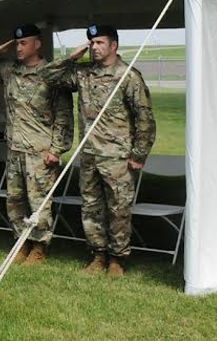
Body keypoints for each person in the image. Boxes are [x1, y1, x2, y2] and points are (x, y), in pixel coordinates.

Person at [43, 24, 155, 278]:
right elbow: (48, 77)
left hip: (117, 157)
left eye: (99, 43)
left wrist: (138, 155)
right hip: (90, 155)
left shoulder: (128, 77)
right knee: (91, 208)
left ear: (114, 45)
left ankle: (117, 259)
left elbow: (145, 119)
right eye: (91, 43)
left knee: (118, 209)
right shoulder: (83, 74)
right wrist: (72, 57)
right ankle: (98, 255)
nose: (94, 47)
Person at [0, 24, 73, 265]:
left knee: (39, 200)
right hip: (15, 148)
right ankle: (21, 242)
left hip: (40, 150)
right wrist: (4, 47)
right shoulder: (9, 70)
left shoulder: (51, 73)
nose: (19, 48)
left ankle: (39, 246)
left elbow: (64, 115)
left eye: (23, 43)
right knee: (15, 200)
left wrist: (57, 149)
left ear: (37, 44)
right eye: (16, 44)